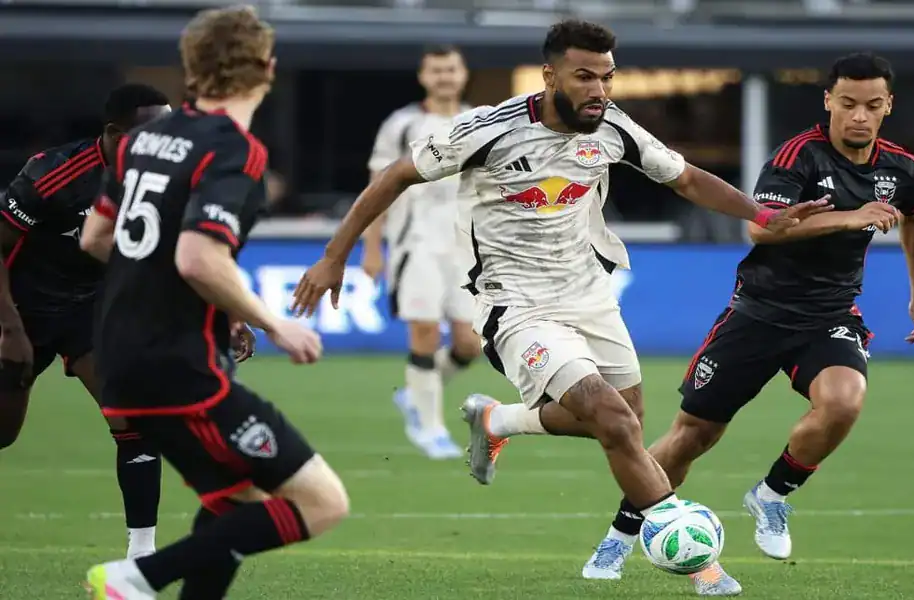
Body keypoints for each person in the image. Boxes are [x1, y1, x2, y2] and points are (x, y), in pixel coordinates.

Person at [291, 18, 824, 593]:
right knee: (615, 422)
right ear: (550, 75)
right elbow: (396, 175)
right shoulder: (487, 129)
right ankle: (699, 562)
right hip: (513, 301)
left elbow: (687, 179)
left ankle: (500, 419)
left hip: (588, 293)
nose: (599, 90)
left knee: (625, 418)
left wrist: (761, 215)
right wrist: (334, 256)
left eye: (608, 77)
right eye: (584, 77)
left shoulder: (614, 128)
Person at [579, 52, 914, 593]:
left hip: (830, 315)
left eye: (871, 105)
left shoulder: (902, 169)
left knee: (843, 401)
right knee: (693, 436)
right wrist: (850, 217)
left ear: (888, 106)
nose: (858, 116)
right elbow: (762, 231)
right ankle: (621, 535)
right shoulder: (797, 158)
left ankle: (773, 494)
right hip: (758, 313)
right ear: (828, 103)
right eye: (847, 104)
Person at [80, 7, 348, 599]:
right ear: (267, 68)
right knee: (323, 503)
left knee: (236, 504)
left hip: (119, 362)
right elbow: (198, 259)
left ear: (193, 68)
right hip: (181, 368)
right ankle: (135, 578)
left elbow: (96, 239)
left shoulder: (140, 140)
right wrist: (275, 323)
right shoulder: (236, 151)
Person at [0, 83, 171, 559]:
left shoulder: (163, 178)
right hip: (21, 307)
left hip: (89, 311)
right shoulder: (51, 174)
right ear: (117, 134)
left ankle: (142, 557)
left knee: (135, 415)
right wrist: (10, 329)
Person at [363, 44, 478, 459]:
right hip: (417, 242)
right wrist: (372, 247)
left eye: (451, 68)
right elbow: (377, 188)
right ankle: (431, 429)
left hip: (467, 247)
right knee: (424, 331)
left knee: (470, 344)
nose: (445, 76)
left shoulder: (480, 120)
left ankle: (415, 395)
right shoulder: (402, 124)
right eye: (437, 70)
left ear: (463, 73)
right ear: (423, 76)